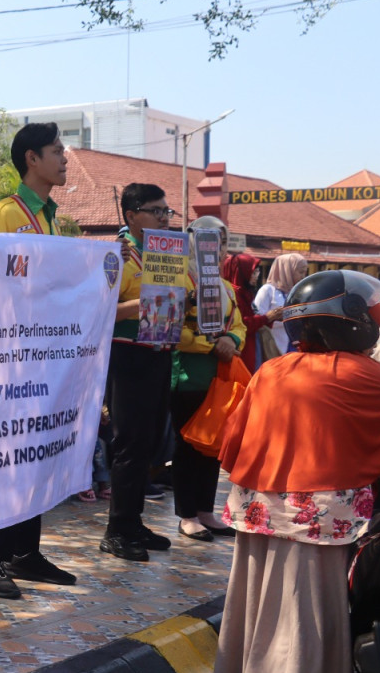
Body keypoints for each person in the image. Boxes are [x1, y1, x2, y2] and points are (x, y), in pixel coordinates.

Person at [210, 269, 380, 673]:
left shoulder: (272, 371)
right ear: (351, 322)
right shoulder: (365, 374)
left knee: (255, 617)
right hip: (317, 521)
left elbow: (231, 443)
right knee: (300, 628)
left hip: (258, 511)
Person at [0, 122, 77, 599]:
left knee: (37, 456)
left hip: (41, 357)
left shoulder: (49, 217)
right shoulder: (7, 216)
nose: (64, 159)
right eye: (56, 151)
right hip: (10, 361)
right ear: (32, 159)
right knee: (7, 460)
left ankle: (24, 552)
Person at [102, 183, 180, 562]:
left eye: (168, 211)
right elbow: (101, 309)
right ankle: (117, 530)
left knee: (149, 444)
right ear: (131, 216)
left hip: (159, 351)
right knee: (129, 445)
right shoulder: (115, 255)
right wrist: (144, 300)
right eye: (157, 211)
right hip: (127, 356)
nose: (165, 218)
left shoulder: (168, 254)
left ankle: (133, 522)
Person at [170, 216, 245, 542]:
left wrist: (232, 341)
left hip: (219, 380)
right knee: (188, 448)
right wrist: (211, 345)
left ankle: (205, 510)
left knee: (213, 446)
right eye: (212, 242)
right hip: (187, 377)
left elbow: (239, 325)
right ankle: (187, 515)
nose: (219, 249)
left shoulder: (226, 287)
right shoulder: (180, 282)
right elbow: (171, 329)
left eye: (224, 243)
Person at [221, 252, 269, 372]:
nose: (256, 276)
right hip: (240, 351)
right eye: (253, 272)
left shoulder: (246, 293)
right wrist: (266, 318)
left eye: (257, 272)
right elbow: (242, 324)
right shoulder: (233, 293)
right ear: (240, 272)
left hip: (251, 348)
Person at [252, 252, 306, 354]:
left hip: (294, 349)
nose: (303, 276)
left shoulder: (297, 293)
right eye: (300, 272)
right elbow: (258, 321)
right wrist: (275, 317)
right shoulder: (267, 291)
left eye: (305, 272)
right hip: (273, 348)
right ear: (287, 271)